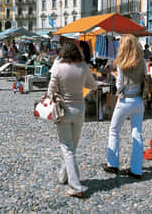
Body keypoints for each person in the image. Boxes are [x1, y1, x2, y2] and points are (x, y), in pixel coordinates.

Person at [48, 41, 97, 198]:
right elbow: (93, 85)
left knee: (67, 148)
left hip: (63, 110)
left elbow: (51, 91)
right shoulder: (83, 66)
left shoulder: (58, 67)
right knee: (72, 147)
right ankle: (64, 175)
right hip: (79, 110)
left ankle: (76, 187)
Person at [102, 34, 147, 181]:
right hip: (139, 100)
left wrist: (116, 79)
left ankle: (113, 164)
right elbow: (145, 79)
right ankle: (136, 169)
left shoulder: (121, 63)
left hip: (125, 100)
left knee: (114, 130)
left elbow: (120, 86)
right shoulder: (142, 62)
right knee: (137, 133)